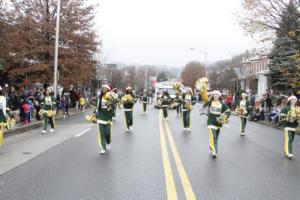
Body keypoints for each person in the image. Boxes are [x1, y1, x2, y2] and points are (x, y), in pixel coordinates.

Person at [205, 90, 231, 158]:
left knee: (215, 138)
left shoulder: (222, 104)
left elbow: (228, 111)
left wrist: (224, 118)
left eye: (217, 94)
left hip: (218, 124)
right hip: (210, 122)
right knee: (212, 136)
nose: (215, 95)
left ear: (219, 96)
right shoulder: (210, 102)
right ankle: (214, 151)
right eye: (214, 94)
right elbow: (204, 99)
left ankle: (212, 149)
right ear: (212, 96)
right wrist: (203, 89)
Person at [96, 84, 115, 154]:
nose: (103, 89)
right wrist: (95, 115)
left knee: (107, 133)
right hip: (101, 118)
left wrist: (111, 103)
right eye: (102, 88)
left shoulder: (111, 97)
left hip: (108, 118)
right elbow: (96, 108)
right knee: (102, 134)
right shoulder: (99, 98)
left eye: (105, 88)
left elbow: (114, 107)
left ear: (108, 90)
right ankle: (103, 148)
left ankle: (108, 142)